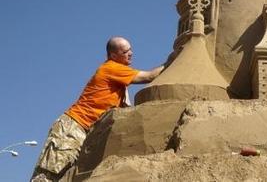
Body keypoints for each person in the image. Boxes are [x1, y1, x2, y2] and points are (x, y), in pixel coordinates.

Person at [31, 36, 167, 182]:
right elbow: (149, 76)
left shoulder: (119, 82)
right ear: (113, 55)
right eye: (125, 51)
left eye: (130, 49)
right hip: (73, 127)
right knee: (48, 176)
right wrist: (172, 59)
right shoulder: (111, 68)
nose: (131, 53)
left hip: (86, 132)